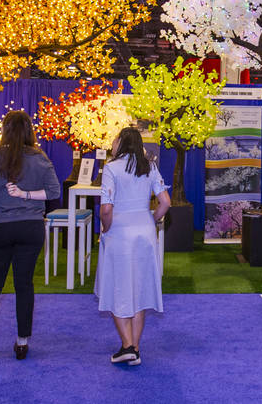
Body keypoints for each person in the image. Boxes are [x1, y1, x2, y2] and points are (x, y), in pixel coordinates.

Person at [0, 110, 62, 365]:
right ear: (30, 130)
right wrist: (27, 195)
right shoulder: (40, 158)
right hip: (30, 227)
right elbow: (54, 192)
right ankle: (22, 343)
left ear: (4, 130)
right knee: (24, 285)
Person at [95, 127, 171, 366]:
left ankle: (127, 346)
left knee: (117, 288)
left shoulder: (111, 168)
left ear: (122, 143)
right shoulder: (150, 167)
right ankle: (134, 348)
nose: (113, 143)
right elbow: (165, 202)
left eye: (115, 139)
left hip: (119, 234)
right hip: (145, 234)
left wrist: (106, 227)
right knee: (140, 290)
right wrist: (152, 219)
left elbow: (106, 208)